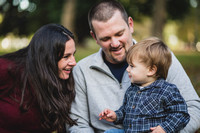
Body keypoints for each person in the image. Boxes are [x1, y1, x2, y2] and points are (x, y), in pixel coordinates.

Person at [68, 0, 200, 132]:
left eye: (119, 34)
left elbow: (193, 109)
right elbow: (77, 123)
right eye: (105, 38)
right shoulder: (82, 70)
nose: (114, 43)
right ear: (94, 37)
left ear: (130, 24)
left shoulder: (160, 58)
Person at [99, 37, 190, 133]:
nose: (127, 69)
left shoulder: (167, 90)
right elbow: (125, 111)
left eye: (132, 66)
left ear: (151, 70)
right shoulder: (132, 90)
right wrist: (115, 116)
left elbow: (181, 113)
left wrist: (164, 128)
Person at [0, 24, 77, 133]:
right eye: (66, 57)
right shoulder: (7, 69)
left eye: (73, 54)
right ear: (47, 57)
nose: (74, 62)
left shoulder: (62, 80)